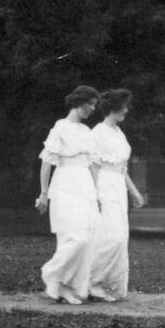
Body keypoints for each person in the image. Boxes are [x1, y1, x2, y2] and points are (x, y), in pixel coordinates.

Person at [35, 86, 100, 305]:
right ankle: (52, 273)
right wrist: (43, 193)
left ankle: (65, 286)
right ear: (80, 102)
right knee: (74, 236)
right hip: (65, 185)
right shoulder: (60, 127)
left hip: (85, 187)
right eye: (90, 104)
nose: (92, 109)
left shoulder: (86, 132)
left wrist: (97, 192)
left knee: (88, 237)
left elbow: (91, 165)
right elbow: (47, 162)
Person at [90, 89, 146, 301]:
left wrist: (134, 191)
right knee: (109, 237)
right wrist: (94, 195)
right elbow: (94, 166)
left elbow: (122, 168)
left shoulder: (119, 133)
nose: (127, 110)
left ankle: (109, 285)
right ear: (114, 107)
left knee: (121, 238)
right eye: (124, 106)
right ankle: (92, 282)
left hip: (118, 188)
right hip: (104, 185)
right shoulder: (98, 132)